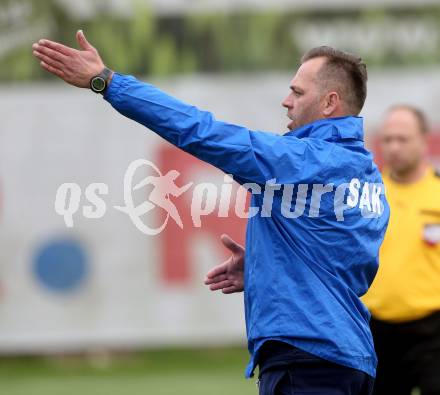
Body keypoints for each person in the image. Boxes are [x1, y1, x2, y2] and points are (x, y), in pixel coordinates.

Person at [32, 30, 389, 394]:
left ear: (330, 102)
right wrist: (267, 266)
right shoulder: (370, 179)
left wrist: (106, 82)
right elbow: (342, 265)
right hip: (350, 357)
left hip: (308, 357)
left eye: (297, 92)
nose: (286, 101)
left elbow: (199, 130)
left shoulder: (301, 161)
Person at [362, 105, 440, 395]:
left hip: (434, 330)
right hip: (378, 330)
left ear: (423, 139)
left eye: (403, 139)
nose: (394, 147)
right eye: (388, 139)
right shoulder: (368, 195)